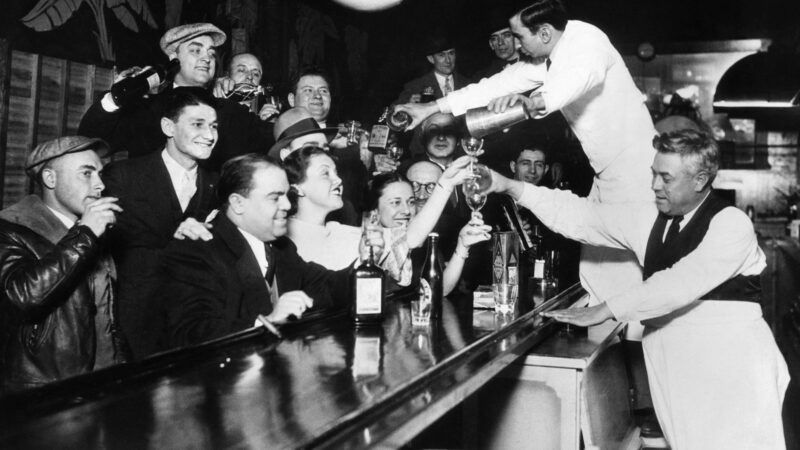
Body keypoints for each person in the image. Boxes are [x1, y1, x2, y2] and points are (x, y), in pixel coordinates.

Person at [485, 129, 789, 449]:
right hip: (671, 365)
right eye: (653, 174)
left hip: (731, 369)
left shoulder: (731, 224)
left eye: (666, 178)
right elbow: (583, 216)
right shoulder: (651, 218)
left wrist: (605, 309)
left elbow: (679, 283)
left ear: (700, 180)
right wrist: (510, 187)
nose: (655, 185)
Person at [159, 154, 374, 349]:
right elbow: (190, 334)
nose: (288, 205)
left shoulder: (280, 248)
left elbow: (326, 287)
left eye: (287, 195)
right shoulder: (195, 250)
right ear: (238, 203)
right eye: (275, 197)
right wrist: (266, 322)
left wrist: (365, 260)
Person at [101, 88, 221, 359]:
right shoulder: (123, 176)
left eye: (214, 126)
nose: (210, 135)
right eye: (198, 124)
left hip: (195, 328)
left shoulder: (218, 185)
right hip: (135, 329)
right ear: (168, 126)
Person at [0, 136, 127, 391]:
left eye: (100, 174)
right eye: (86, 174)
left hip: (101, 381)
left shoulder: (94, 230)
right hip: (46, 388)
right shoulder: (10, 229)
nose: (100, 184)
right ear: (50, 179)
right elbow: (23, 296)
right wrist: (86, 234)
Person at [78, 23, 274, 171]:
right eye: (196, 50)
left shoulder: (232, 112)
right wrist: (115, 98)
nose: (206, 58)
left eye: (211, 54)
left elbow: (276, 140)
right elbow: (92, 142)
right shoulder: (147, 108)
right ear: (174, 59)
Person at [366, 157, 489, 295]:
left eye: (410, 202)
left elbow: (437, 290)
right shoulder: (370, 242)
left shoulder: (435, 233)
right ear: (374, 210)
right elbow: (409, 240)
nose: (406, 210)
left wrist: (462, 246)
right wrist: (445, 185)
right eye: (395, 202)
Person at [285, 68, 369, 224]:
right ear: (291, 99)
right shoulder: (277, 136)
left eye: (323, 91)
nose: (317, 96)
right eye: (308, 90)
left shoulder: (352, 143)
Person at [270, 106, 360, 225]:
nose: (321, 154)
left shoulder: (344, 209)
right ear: (286, 155)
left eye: (325, 148)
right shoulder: (272, 212)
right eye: (309, 148)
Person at [284, 145, 362, 270]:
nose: (338, 179)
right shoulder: (284, 242)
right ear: (298, 187)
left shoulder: (348, 235)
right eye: (325, 173)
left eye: (336, 172)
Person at [395, 34, 472, 105]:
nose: (448, 60)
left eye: (451, 53)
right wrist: (407, 107)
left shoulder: (468, 84)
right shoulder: (415, 87)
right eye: (441, 55)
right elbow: (391, 113)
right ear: (431, 59)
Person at [212, 52, 281, 121]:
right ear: (227, 75)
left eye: (256, 74)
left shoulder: (264, 111)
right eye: (241, 70)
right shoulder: (213, 105)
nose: (250, 76)